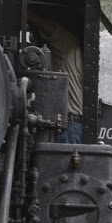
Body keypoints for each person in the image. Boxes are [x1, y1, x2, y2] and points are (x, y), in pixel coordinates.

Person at [29, 9, 84, 142]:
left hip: (68, 127)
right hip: (70, 125)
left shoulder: (67, 43)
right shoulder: (72, 50)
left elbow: (51, 28)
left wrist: (27, 14)